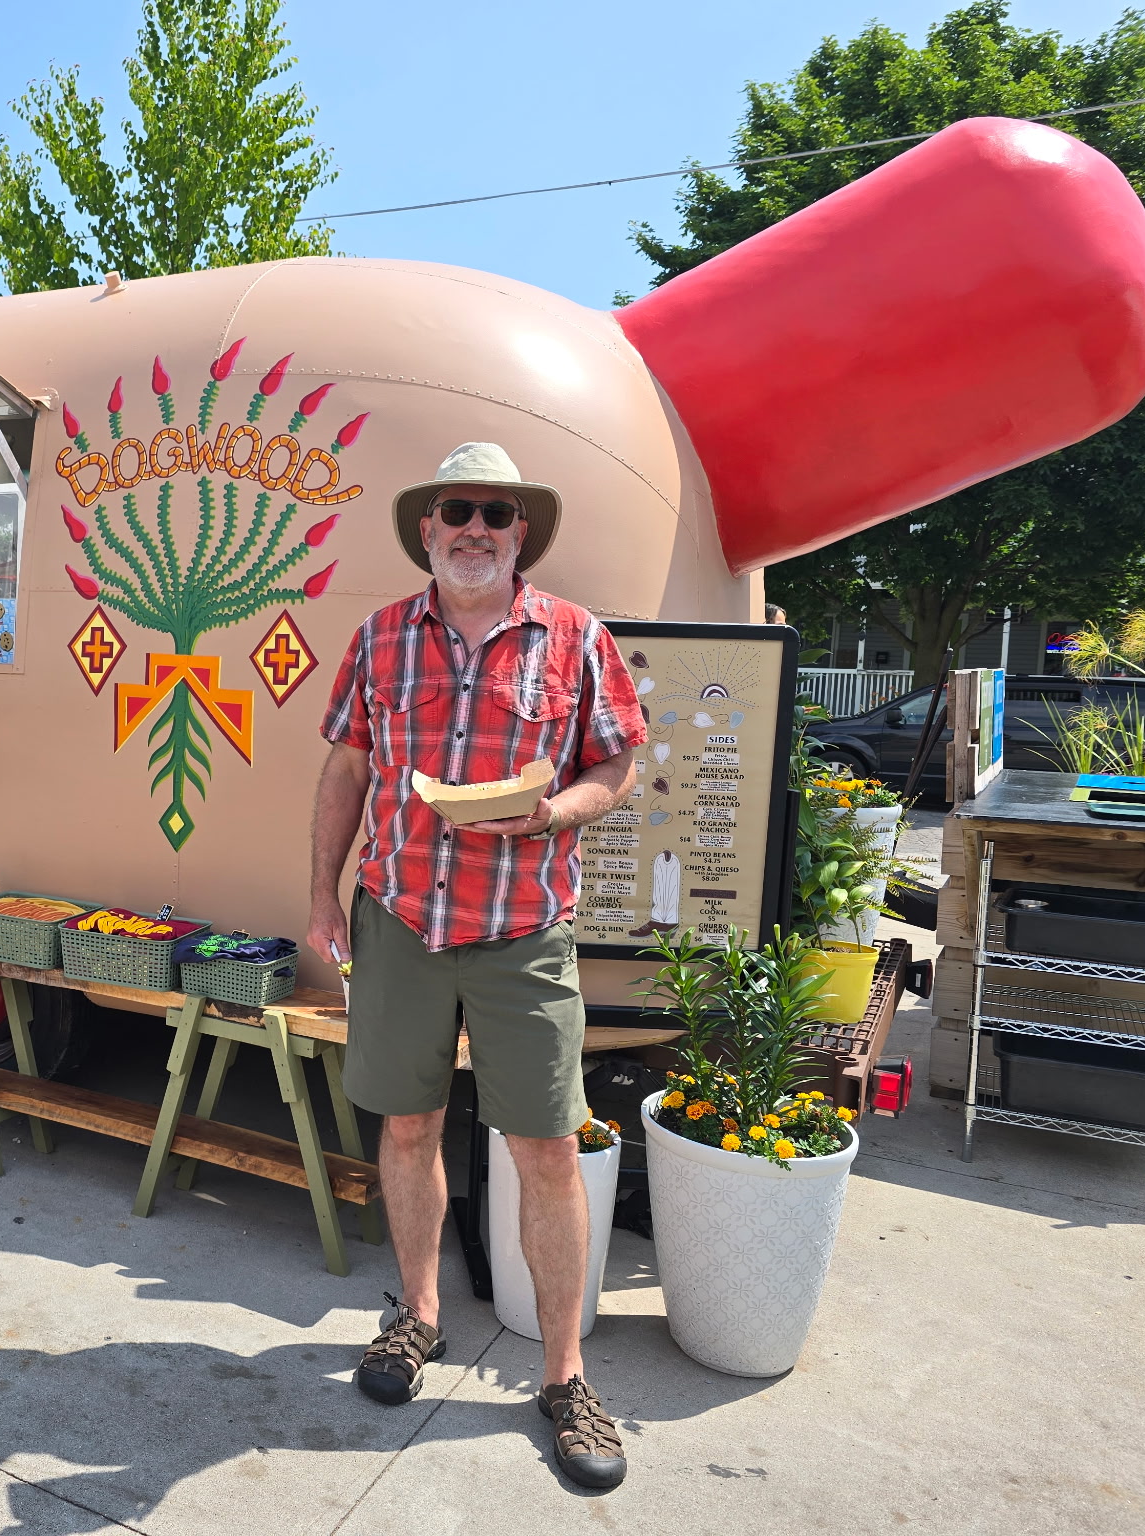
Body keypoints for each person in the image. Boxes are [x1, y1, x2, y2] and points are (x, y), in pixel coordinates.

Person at [308, 442, 646, 1491]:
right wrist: (321, 893)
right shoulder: (377, 638)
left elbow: (618, 760)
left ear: (519, 534)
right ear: (425, 528)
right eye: (455, 509)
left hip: (521, 930)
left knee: (545, 1147)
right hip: (400, 919)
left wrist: (556, 811)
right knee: (405, 1125)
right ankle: (415, 1319)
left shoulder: (575, 637)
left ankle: (563, 1377)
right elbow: (347, 767)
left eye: (495, 515)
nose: (474, 528)